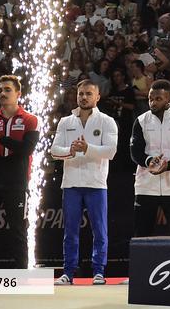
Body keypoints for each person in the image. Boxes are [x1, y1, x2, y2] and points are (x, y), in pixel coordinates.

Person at [49, 79, 119, 285]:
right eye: (81, 93)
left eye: (89, 93)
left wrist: (87, 148)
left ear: (97, 96)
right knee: (70, 230)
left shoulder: (107, 121)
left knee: (99, 229)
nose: (84, 97)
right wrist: (70, 151)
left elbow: (111, 151)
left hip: (96, 183)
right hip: (71, 183)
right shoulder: (66, 121)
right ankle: (68, 272)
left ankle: (99, 271)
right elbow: (54, 150)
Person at [0, 75, 39, 269]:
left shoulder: (30, 119)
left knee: (18, 232)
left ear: (18, 93)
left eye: (7, 90)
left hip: (16, 183)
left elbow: (26, 149)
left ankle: (22, 277)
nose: (2, 93)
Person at [130, 80, 170, 236]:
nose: (153, 102)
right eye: (150, 99)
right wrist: (148, 161)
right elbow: (135, 152)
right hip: (146, 186)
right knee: (142, 236)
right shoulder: (141, 120)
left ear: (169, 98)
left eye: (158, 99)